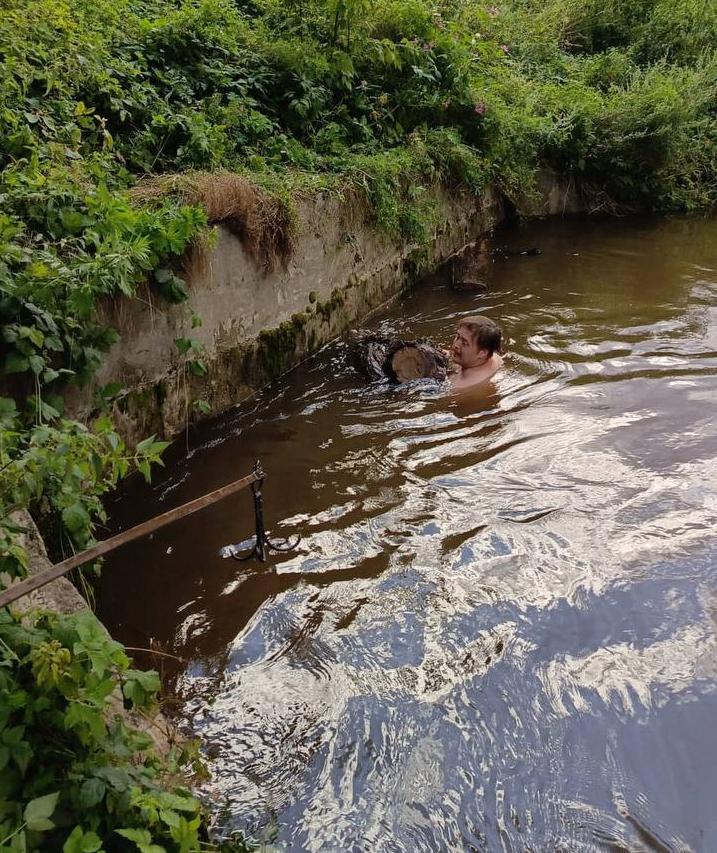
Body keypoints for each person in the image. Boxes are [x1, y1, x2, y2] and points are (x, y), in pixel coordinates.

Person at [449, 315, 503, 390]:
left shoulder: (462, 385)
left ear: (482, 353)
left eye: (464, 343)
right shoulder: (493, 357)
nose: (456, 344)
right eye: (457, 337)